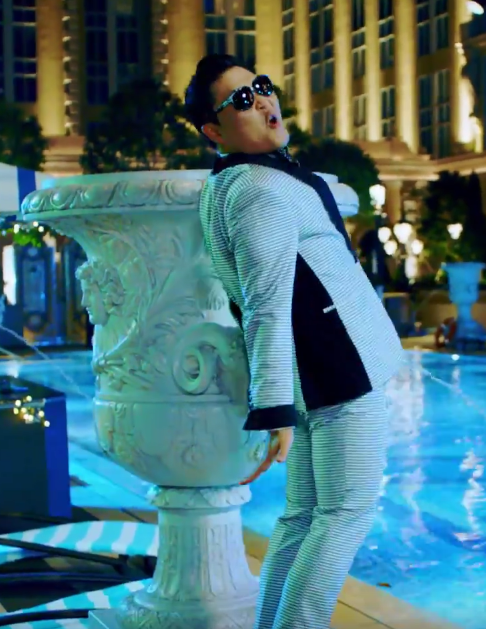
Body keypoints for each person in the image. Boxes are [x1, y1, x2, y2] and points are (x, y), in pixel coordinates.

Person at [185, 54, 404, 629]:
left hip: (322, 373)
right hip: (339, 373)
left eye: (260, 87)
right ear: (213, 131)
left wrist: (283, 402)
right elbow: (264, 302)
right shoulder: (258, 189)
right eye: (241, 100)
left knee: (305, 517)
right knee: (343, 516)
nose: (261, 100)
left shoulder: (240, 181)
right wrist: (275, 409)